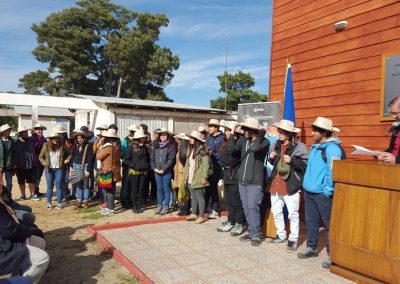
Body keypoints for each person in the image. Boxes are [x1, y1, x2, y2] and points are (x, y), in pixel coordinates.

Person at [297, 117, 344, 268]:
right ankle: (312, 247)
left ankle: (332, 255)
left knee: (329, 224)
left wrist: (327, 190)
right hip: (309, 191)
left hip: (322, 194)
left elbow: (333, 170)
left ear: (324, 132)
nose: (312, 133)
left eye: (315, 130)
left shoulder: (333, 148)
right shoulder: (315, 146)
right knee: (311, 221)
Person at [267, 120, 308, 251]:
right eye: (279, 130)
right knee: (276, 212)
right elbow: (275, 165)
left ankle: (293, 239)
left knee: (293, 214)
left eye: (282, 131)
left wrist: (293, 161)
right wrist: (271, 159)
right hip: (276, 183)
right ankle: (281, 235)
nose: (279, 133)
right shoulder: (275, 144)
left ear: (290, 133)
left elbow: (305, 166)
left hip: (291, 185)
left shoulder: (300, 147)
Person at [0, 185, 50, 284]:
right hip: (3, 247)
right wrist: (26, 231)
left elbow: (10, 223)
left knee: (39, 241)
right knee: (42, 258)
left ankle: (18, 276)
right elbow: (8, 229)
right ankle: (22, 280)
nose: (1, 182)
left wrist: (25, 231)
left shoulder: (2, 194)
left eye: (1, 178)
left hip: (6, 238)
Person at [232, 117, 270, 246]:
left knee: (253, 207)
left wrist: (258, 136)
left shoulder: (264, 142)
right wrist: (234, 134)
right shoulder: (243, 140)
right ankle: (251, 230)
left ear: (252, 130)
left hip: (255, 181)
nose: (243, 131)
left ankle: (256, 235)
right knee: (246, 208)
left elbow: (255, 149)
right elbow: (232, 150)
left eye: (245, 129)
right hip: (242, 180)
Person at [217, 121, 246, 236]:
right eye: (226, 130)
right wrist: (225, 163)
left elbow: (230, 159)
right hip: (227, 175)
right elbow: (222, 159)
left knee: (237, 201)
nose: (226, 132)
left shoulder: (239, 142)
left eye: (229, 130)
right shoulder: (226, 143)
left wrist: (225, 162)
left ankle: (240, 222)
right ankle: (231, 221)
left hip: (236, 176)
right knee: (229, 200)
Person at [180, 130, 212, 224]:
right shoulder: (191, 149)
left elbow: (206, 165)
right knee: (193, 197)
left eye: (192, 138)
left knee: (200, 197)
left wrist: (204, 177)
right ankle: (194, 213)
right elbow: (188, 164)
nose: (190, 140)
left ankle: (201, 216)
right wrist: (185, 173)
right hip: (190, 177)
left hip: (198, 177)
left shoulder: (203, 150)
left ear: (196, 140)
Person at [39, 132, 71, 210]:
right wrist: (43, 162)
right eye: (53, 138)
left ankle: (59, 203)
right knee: (49, 186)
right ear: (50, 139)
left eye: (56, 138)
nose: (55, 140)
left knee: (59, 186)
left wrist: (67, 159)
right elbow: (40, 156)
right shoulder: (46, 146)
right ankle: (49, 203)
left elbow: (70, 154)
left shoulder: (62, 146)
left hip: (59, 169)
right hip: (49, 169)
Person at [151, 128, 176, 215]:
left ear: (168, 136)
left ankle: (166, 206)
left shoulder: (171, 146)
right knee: (159, 189)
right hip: (157, 171)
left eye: (165, 135)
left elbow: (171, 159)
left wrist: (163, 169)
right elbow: (152, 157)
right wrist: (154, 168)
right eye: (161, 135)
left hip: (166, 171)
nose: (163, 137)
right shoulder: (156, 145)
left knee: (166, 189)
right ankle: (159, 205)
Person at [96, 129, 121, 215]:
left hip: (107, 171)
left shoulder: (108, 147)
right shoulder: (116, 146)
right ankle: (108, 208)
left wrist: (100, 147)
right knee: (110, 190)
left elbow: (98, 156)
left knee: (108, 191)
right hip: (113, 171)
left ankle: (110, 209)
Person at [125, 130, 150, 213]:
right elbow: (126, 160)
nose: (144, 138)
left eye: (144, 137)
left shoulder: (145, 147)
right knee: (134, 189)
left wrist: (147, 166)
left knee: (141, 189)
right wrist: (133, 165)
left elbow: (148, 158)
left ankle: (139, 205)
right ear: (139, 138)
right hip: (134, 172)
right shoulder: (131, 147)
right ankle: (134, 206)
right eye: (143, 137)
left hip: (144, 172)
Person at [11, 127, 40, 201]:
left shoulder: (31, 140)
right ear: (20, 134)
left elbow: (39, 143)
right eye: (24, 132)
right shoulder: (15, 143)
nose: (26, 133)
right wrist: (14, 165)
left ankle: (33, 195)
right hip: (20, 165)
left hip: (31, 164)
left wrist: (34, 134)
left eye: (26, 132)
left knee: (32, 181)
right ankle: (23, 195)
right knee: (21, 181)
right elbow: (13, 154)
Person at [205, 119, 225, 219]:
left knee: (213, 188)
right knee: (207, 187)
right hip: (208, 165)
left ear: (216, 127)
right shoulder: (208, 137)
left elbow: (223, 155)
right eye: (208, 126)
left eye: (211, 126)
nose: (209, 128)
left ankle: (215, 210)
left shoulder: (222, 138)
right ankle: (207, 206)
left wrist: (212, 153)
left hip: (217, 166)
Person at [70, 130, 93, 209]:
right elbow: (72, 157)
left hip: (85, 166)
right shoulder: (75, 146)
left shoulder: (88, 145)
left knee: (86, 185)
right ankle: (79, 201)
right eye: (77, 138)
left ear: (83, 138)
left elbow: (90, 158)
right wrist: (71, 167)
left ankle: (86, 201)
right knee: (78, 184)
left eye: (80, 138)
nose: (79, 139)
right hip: (76, 166)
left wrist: (88, 170)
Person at [120, 125, 141, 209]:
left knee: (132, 185)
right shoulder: (125, 141)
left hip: (135, 166)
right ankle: (124, 201)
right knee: (126, 184)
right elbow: (123, 153)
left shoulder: (137, 141)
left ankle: (130, 201)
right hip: (128, 165)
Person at [376, 96, 400, 164]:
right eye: (391, 113)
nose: (393, 117)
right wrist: (383, 154)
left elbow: (395, 158)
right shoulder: (396, 128)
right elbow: (393, 150)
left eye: (395, 113)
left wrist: (396, 160)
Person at [172, 133, 190, 216]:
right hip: (178, 173)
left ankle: (184, 209)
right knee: (182, 191)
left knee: (184, 192)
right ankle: (183, 208)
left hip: (182, 173)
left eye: (179, 139)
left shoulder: (185, 149)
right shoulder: (182, 148)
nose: (178, 141)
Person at [54, 124, 73, 203]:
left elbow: (70, 153)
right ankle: (62, 196)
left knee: (63, 181)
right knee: (60, 181)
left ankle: (66, 196)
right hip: (58, 164)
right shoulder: (61, 141)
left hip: (65, 164)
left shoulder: (66, 142)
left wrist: (68, 160)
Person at [30, 124, 47, 197]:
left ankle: (37, 190)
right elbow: (32, 151)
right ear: (35, 130)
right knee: (35, 177)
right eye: (38, 129)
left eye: (41, 129)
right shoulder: (32, 139)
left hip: (41, 161)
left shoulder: (43, 138)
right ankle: (34, 192)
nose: (40, 130)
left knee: (39, 176)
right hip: (35, 161)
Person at [0, 124, 14, 193]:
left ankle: (8, 197)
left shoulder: (12, 141)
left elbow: (14, 154)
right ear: (3, 132)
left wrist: (14, 165)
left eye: (9, 130)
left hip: (9, 165)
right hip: (0, 165)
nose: (9, 132)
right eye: (8, 131)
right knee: (0, 183)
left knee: (9, 183)